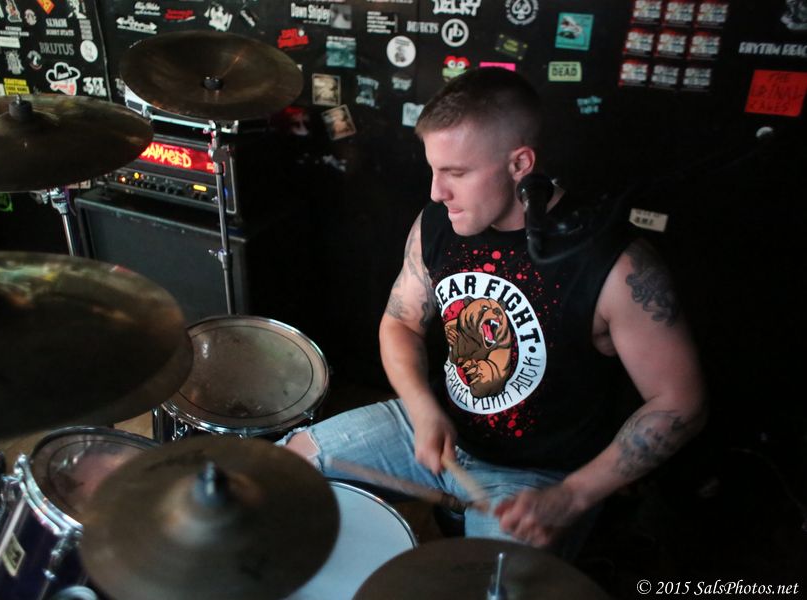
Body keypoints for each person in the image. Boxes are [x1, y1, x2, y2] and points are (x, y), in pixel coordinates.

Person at [282, 67, 706, 555]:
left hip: (535, 478)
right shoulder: (437, 223)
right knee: (284, 467)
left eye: (457, 173)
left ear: (520, 163)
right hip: (432, 425)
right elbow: (400, 322)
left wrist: (572, 496)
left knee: (488, 583)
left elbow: (680, 402)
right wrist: (421, 406)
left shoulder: (613, 266)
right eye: (434, 170)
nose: (437, 192)